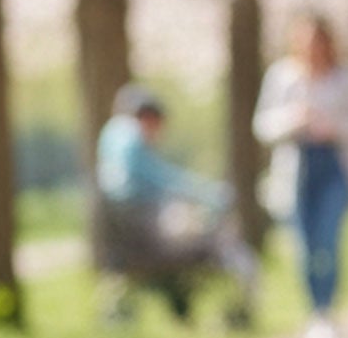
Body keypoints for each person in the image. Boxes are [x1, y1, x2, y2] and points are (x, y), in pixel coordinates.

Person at [253, 15, 348, 338]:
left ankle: (327, 311)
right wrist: (294, 119)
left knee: (328, 240)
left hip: (334, 166)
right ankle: (313, 311)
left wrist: (334, 126)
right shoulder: (282, 76)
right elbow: (262, 125)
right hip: (297, 166)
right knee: (304, 246)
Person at [94, 84, 258, 325]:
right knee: (212, 237)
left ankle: (184, 308)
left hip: (130, 239)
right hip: (149, 241)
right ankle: (234, 310)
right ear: (149, 118)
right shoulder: (131, 139)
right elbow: (161, 178)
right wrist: (209, 194)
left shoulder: (112, 137)